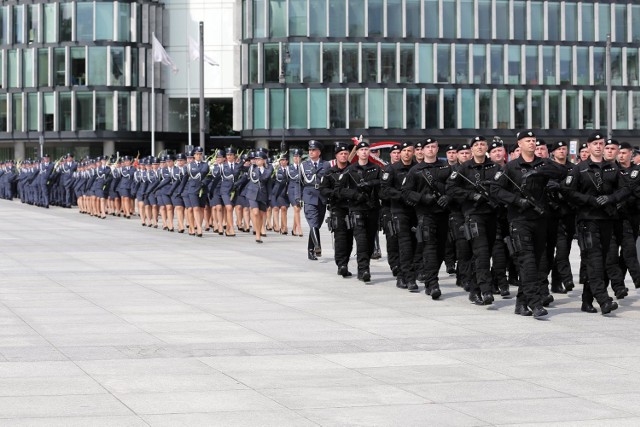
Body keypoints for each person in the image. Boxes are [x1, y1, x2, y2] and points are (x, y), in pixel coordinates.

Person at [563, 131, 631, 315]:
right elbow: (569, 192)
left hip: (607, 220)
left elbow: (625, 189)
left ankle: (587, 301)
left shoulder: (612, 168)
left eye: (601, 143)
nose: (599, 147)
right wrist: (589, 200)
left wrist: (610, 198)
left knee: (603, 261)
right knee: (594, 260)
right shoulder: (580, 168)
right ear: (589, 146)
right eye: (596, 144)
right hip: (587, 220)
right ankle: (603, 300)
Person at [447, 136, 501, 306]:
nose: (479, 147)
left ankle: (474, 288)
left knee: (483, 253)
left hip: (492, 214)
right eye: (476, 145)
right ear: (471, 150)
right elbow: (451, 188)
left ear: (486, 148)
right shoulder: (464, 168)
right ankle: (485, 290)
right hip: (473, 214)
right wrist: (471, 195)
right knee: (482, 252)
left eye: (482, 144)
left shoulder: (496, 167)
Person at [402, 138, 451, 298]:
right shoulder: (415, 170)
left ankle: (430, 279)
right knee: (429, 247)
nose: (430, 149)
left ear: (437, 149)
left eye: (433, 147)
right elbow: (407, 191)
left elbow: (453, 187)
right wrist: (422, 198)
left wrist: (448, 197)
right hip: (425, 214)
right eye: (427, 147)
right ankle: (433, 283)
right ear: (421, 150)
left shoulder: (446, 168)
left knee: (441, 250)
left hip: (443, 213)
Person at [337, 141, 381, 282]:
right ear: (357, 152)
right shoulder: (350, 170)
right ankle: (364, 269)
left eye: (366, 149)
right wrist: (355, 195)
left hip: (372, 209)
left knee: (369, 241)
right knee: (361, 240)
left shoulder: (376, 169)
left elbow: (383, 184)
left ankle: (363, 266)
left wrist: (371, 184)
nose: (364, 152)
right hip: (356, 208)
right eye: (361, 149)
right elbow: (340, 189)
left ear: (369, 152)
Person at [320, 141, 355, 277]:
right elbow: (323, 189)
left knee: (350, 237)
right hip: (337, 207)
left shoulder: (353, 170)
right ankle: (341, 264)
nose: (344, 156)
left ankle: (345, 261)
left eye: (346, 153)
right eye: (341, 154)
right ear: (336, 156)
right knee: (340, 237)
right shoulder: (329, 172)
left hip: (352, 207)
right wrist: (335, 193)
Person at [301, 140, 327, 260]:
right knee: (313, 222)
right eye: (310, 150)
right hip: (309, 196)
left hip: (321, 197)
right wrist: (298, 197)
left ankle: (310, 250)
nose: (311, 152)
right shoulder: (304, 165)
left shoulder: (326, 165)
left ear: (319, 152)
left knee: (317, 224)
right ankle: (317, 246)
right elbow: (298, 183)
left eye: (313, 150)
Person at [245, 151, 272, 243]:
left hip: (262, 194)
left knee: (260, 215)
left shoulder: (268, 170)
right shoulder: (252, 168)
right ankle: (257, 234)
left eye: (259, 159)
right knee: (255, 213)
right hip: (252, 194)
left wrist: (269, 198)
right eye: (256, 159)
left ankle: (259, 233)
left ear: (264, 160)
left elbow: (267, 183)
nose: (257, 161)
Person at [287, 149, 304, 237]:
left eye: (298, 156)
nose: (296, 158)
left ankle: (294, 229)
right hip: (292, 190)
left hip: (300, 190)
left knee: (297, 210)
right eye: (295, 156)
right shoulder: (289, 167)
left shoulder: (303, 167)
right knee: (296, 209)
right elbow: (292, 177)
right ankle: (299, 229)